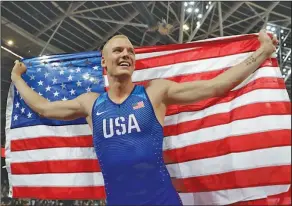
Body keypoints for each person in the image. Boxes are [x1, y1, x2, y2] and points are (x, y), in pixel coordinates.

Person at [11, 29, 277, 205]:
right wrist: (16, 78)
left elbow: (214, 87)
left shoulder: (154, 93)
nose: (126, 54)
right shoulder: (90, 103)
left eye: (130, 52)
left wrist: (262, 52)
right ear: (104, 62)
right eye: (118, 51)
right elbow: (44, 108)